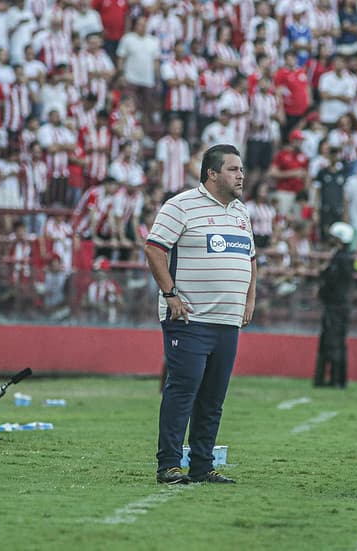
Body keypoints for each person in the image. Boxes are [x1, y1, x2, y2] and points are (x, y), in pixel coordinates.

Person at [145, 144, 257, 485]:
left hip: (227, 320)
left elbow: (251, 259)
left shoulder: (241, 213)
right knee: (182, 391)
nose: (241, 175)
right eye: (233, 169)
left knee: (213, 397)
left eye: (241, 169)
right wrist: (170, 294)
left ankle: (202, 465)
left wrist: (249, 301)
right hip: (190, 320)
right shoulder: (180, 206)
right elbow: (154, 249)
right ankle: (169, 464)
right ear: (211, 173)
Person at [314, 222, 355, 388]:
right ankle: (336, 379)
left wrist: (322, 289)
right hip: (340, 305)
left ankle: (336, 380)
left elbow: (331, 280)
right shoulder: (345, 257)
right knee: (336, 342)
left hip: (335, 306)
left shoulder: (340, 259)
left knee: (333, 343)